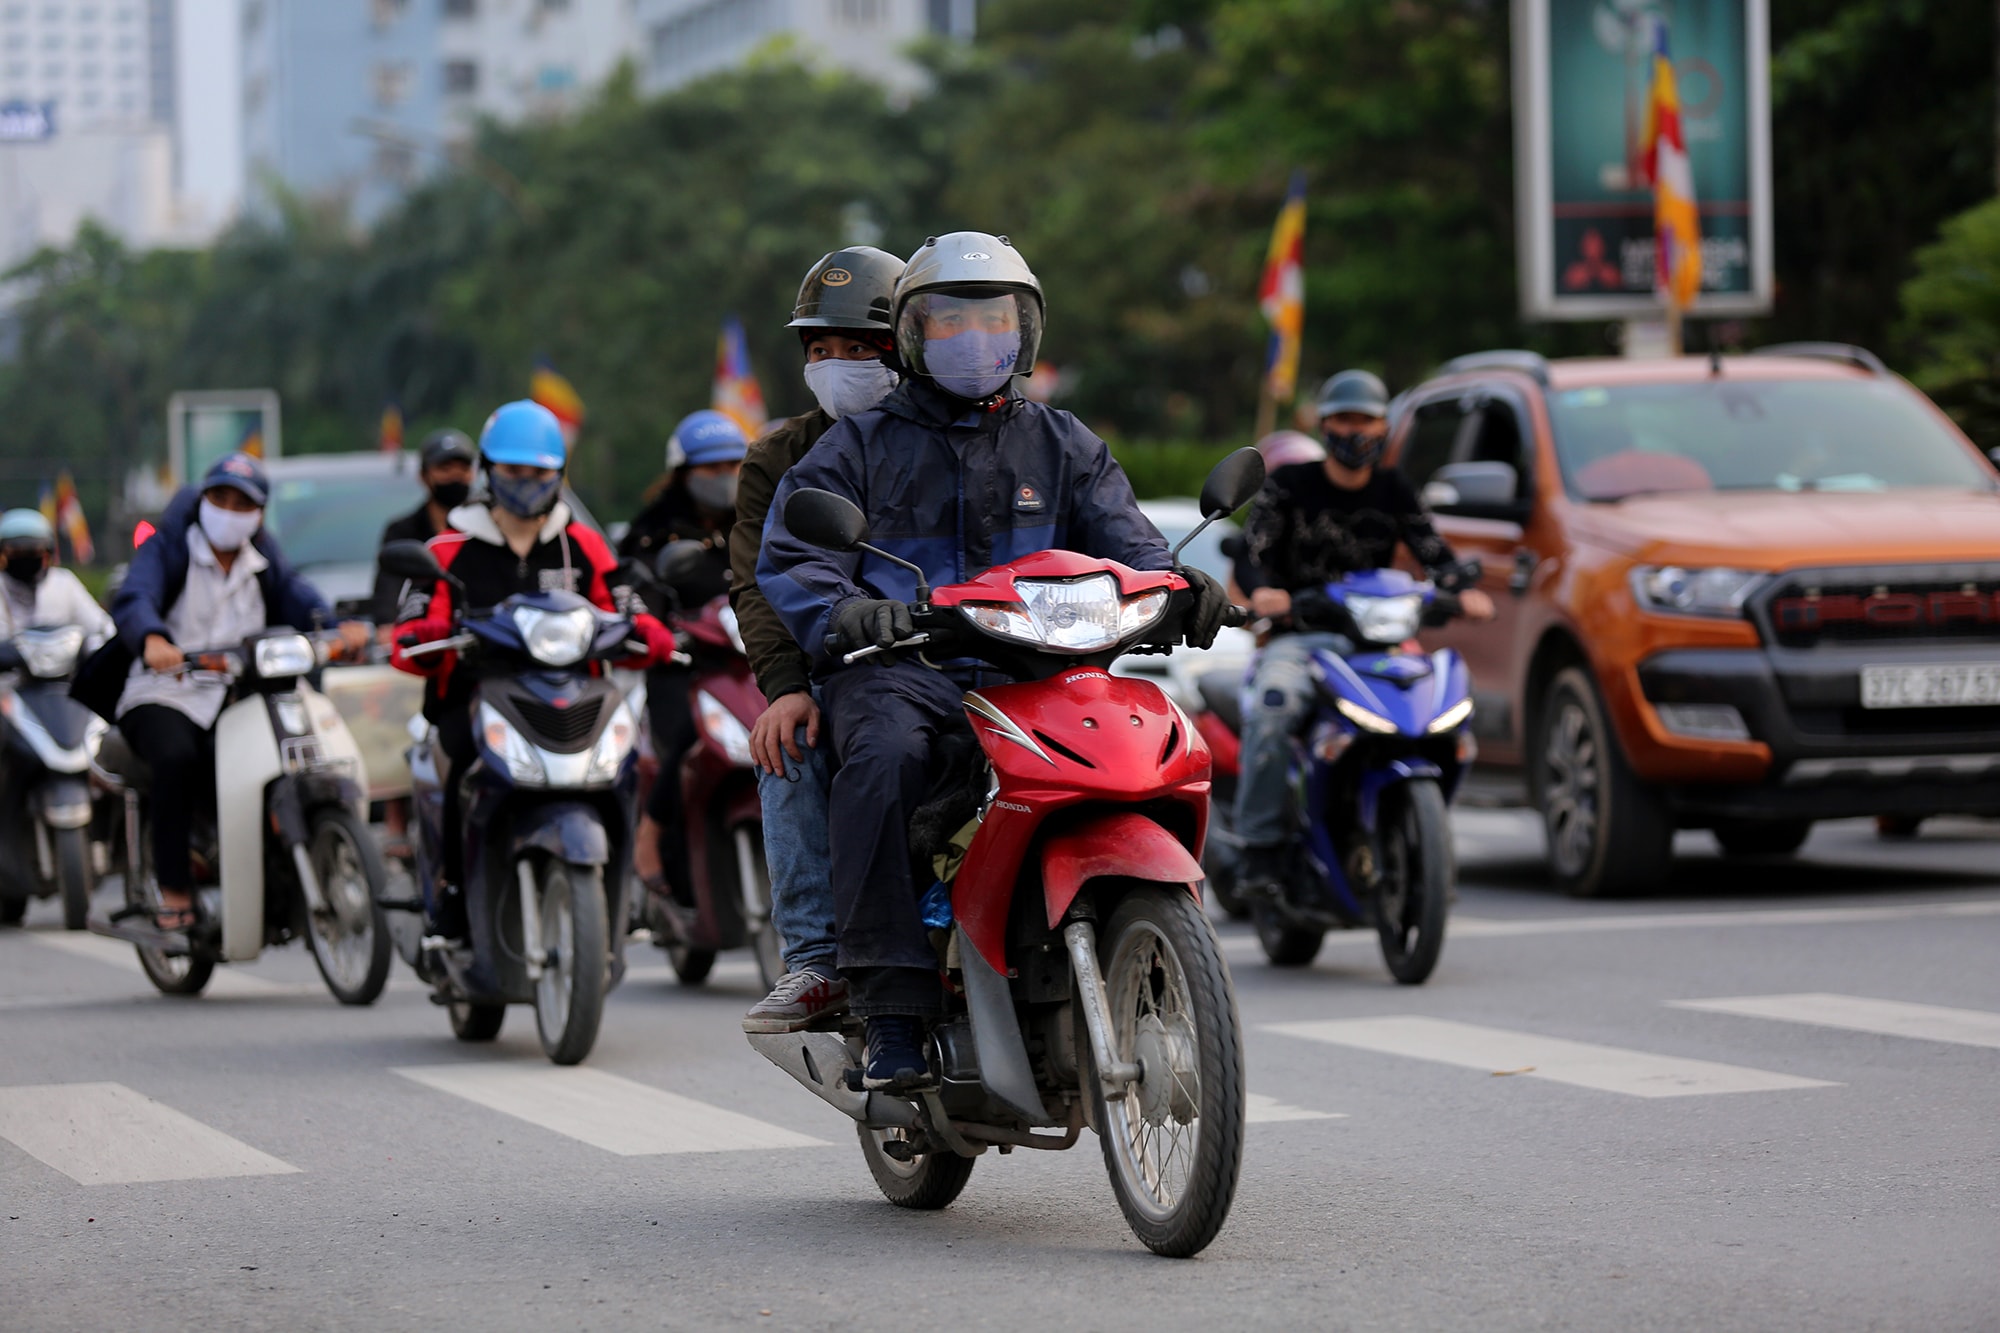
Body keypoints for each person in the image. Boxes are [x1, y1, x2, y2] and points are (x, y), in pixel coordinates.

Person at [759, 232, 1231, 1090]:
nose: (974, 338)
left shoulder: (1062, 442)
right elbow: (796, 556)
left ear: (1027, 331)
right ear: (911, 335)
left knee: (1151, 737)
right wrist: (847, 612)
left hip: (1041, 673)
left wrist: (1181, 584)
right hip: (911, 672)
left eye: (994, 318)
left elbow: (1131, 544)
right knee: (885, 756)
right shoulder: (859, 446)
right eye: (948, 320)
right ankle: (893, 1005)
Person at [391, 401, 678, 939]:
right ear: (487, 470)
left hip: (576, 695)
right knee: (454, 768)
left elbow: (626, 609)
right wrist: (430, 636)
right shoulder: (448, 547)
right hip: (476, 698)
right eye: (513, 472)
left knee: (625, 767)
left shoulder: (584, 544)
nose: (527, 483)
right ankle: (451, 900)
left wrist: (652, 634)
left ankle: (625, 887)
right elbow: (407, 635)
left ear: (559, 475)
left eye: (540, 473)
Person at [1232, 369, 1496, 900]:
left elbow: (1433, 553)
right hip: (1300, 640)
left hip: (1380, 646)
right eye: (1344, 419)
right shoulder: (1289, 484)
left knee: (1444, 712)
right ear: (1325, 426)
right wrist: (1263, 592)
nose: (1355, 431)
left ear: (1383, 428)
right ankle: (1258, 849)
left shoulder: (1395, 489)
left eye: (1367, 421)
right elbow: (1252, 552)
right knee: (1274, 707)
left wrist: (1462, 591)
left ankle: (1421, 838)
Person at [731, 244, 904, 1034]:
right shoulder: (781, 457)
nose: (837, 365)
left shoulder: (950, 432)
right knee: (787, 739)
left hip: (971, 655)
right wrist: (786, 685)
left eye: (858, 349)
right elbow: (758, 582)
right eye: (820, 350)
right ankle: (816, 958)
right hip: (843, 664)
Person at [108, 453, 369, 929]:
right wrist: (152, 638)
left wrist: (338, 629)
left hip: (239, 693)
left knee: (284, 756)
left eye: (242, 503)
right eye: (220, 498)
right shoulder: (169, 548)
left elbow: (300, 597)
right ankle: (174, 886)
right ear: (203, 500)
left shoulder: (264, 561)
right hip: (166, 690)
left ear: (259, 513)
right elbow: (135, 595)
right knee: (177, 757)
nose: (229, 510)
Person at [617, 410, 746, 904]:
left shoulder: (761, 518)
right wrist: (655, 628)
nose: (725, 478)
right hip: (683, 663)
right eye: (710, 469)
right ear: (682, 474)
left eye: (734, 465)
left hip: (752, 659)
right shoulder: (652, 532)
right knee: (684, 741)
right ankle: (650, 835)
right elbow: (633, 592)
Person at [371, 429, 476, 629]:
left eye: (463, 468)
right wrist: (387, 625)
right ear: (423, 475)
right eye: (445, 468)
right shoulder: (402, 532)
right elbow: (389, 592)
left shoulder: (484, 529)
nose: (455, 475)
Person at [0, 509, 112, 645]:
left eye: (34, 551)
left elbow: (101, 627)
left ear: (48, 553)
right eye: (16, 552)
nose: (25, 558)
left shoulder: (63, 583)